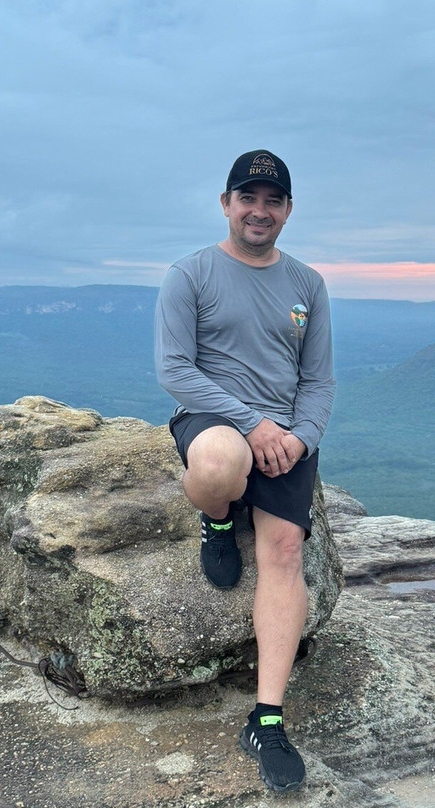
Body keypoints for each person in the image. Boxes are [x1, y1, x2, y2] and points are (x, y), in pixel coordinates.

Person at [154, 149, 335, 793]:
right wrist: (251, 424)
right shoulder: (191, 275)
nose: (259, 211)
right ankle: (217, 520)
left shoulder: (307, 285)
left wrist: (299, 438)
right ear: (226, 203)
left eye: (273, 200)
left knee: (284, 548)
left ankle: (266, 719)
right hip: (213, 420)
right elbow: (176, 370)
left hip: (284, 435)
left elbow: (317, 379)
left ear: (287, 210)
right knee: (218, 461)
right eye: (247, 198)